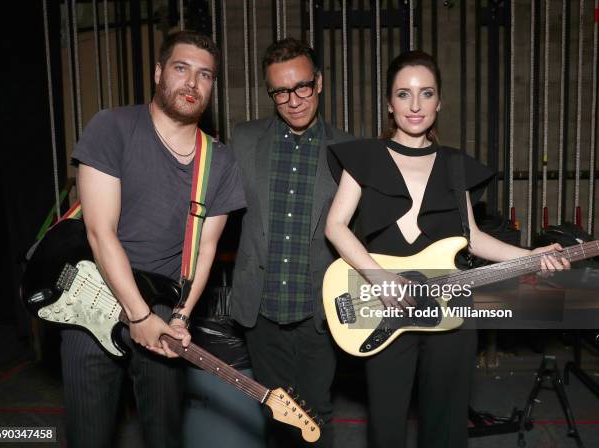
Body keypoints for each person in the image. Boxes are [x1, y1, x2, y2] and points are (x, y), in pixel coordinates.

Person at [324, 50, 570, 448]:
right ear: (389, 103)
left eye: (426, 93)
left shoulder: (456, 165)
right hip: (387, 306)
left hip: (450, 307)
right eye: (404, 94)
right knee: (386, 428)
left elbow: (471, 237)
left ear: (440, 102)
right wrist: (379, 278)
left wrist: (531, 256)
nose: (416, 105)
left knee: (446, 426)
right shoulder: (364, 157)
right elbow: (335, 227)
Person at [68, 30, 246, 448]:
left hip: (163, 305)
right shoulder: (112, 126)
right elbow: (99, 231)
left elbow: (205, 250)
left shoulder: (219, 161)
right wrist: (138, 315)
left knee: (164, 435)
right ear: (158, 72)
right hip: (91, 295)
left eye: (204, 75)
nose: (191, 82)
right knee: (89, 435)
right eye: (181, 68)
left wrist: (181, 316)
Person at [229, 37, 353, 448]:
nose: (294, 100)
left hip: (319, 311)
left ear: (318, 82)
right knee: (276, 417)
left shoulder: (350, 151)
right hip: (261, 311)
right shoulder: (244, 141)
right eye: (281, 91)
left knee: (316, 413)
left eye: (302, 86)